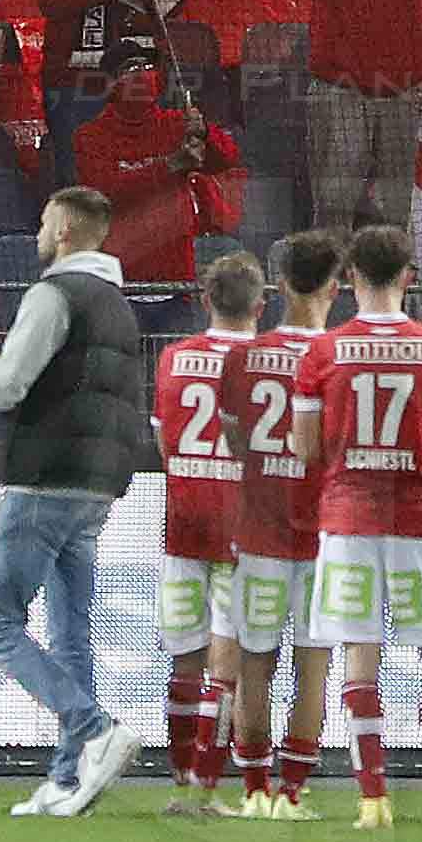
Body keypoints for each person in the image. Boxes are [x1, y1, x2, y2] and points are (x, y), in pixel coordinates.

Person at [0, 183, 148, 816]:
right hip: (97, 484)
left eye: (42, 221)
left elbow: (9, 389)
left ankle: (94, 731)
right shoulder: (117, 303)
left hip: (43, 480)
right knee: (69, 634)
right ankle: (66, 779)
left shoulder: (53, 294)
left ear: (62, 228)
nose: (37, 232)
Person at [284, 221, 422, 822]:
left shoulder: (323, 350)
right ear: (409, 279)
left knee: (359, 649)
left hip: (346, 520)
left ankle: (373, 798)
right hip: (416, 519)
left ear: (350, 281)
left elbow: (305, 446)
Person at [230, 228, 345, 817]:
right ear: (336, 285)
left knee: (254, 660)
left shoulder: (245, 355)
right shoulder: (337, 358)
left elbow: (232, 437)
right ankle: (293, 792)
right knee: (313, 661)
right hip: (323, 533)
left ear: (278, 284)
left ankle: (252, 790)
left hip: (257, 531)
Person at [151, 250, 270, 811]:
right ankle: (205, 784)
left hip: (182, 520)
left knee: (184, 656)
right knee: (231, 663)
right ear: (261, 305)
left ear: (204, 300)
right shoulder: (266, 362)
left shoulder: (173, 357)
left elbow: (162, 443)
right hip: (242, 524)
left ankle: (180, 779)